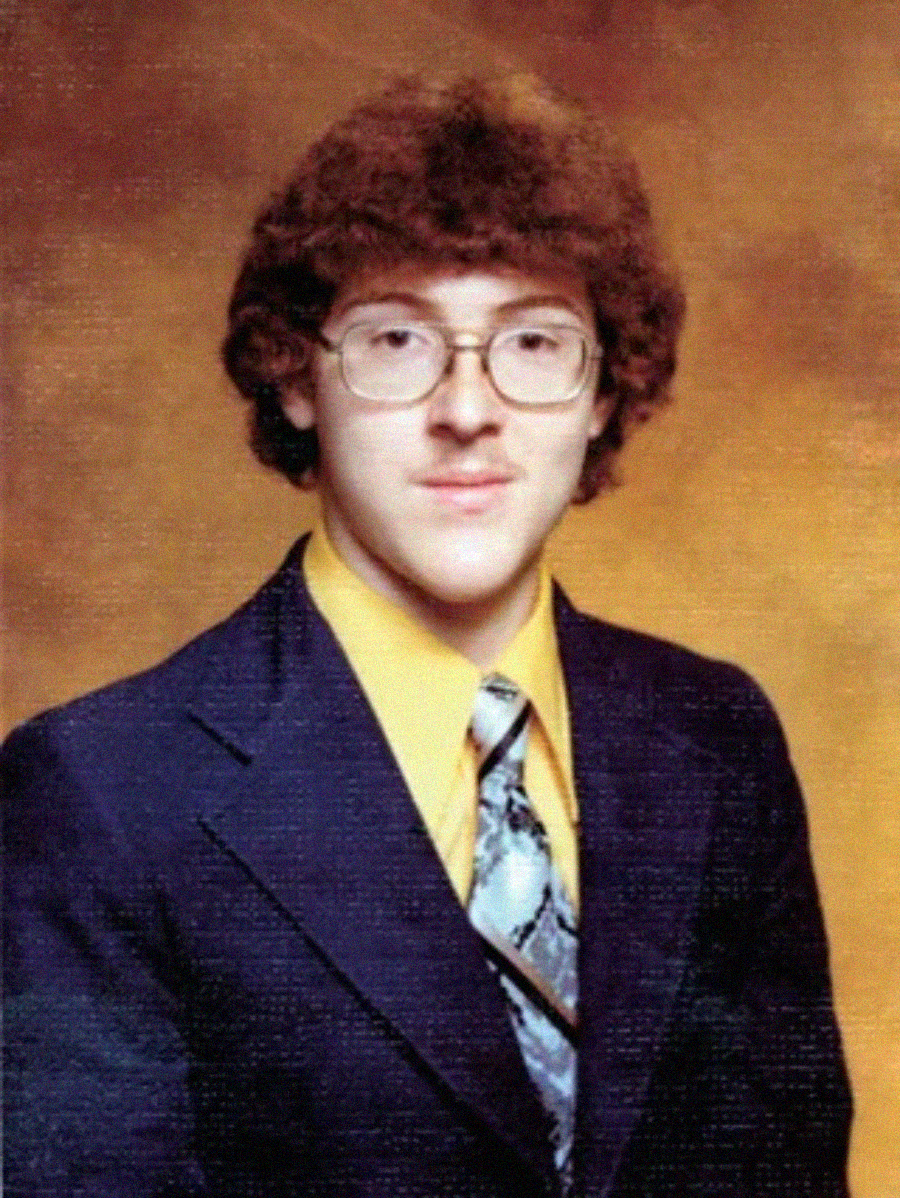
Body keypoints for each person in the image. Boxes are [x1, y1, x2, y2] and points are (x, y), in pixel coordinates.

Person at [3, 74, 852, 1197]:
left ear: (604, 387)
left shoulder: (716, 737)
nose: (469, 406)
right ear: (297, 374)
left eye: (535, 342)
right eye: (399, 338)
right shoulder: (101, 792)